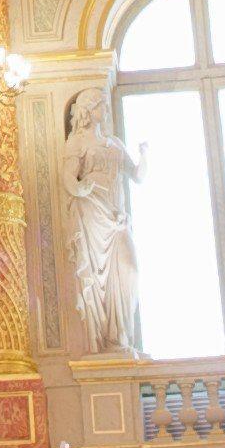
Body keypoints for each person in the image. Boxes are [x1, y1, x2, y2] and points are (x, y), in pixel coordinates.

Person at [58, 83, 142, 356]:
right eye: (100, 105)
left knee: (129, 271)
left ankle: (121, 337)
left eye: (106, 104)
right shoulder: (77, 142)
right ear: (88, 110)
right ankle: (107, 339)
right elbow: (68, 176)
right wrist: (80, 188)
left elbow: (137, 175)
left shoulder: (114, 143)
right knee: (97, 276)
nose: (105, 110)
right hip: (93, 212)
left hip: (117, 216)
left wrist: (145, 154)